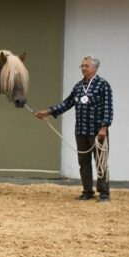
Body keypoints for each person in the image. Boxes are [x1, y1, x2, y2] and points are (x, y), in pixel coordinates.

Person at [35, 56, 112, 201]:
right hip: (81, 131)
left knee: (101, 162)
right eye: (82, 66)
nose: (83, 68)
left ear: (95, 68)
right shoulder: (78, 87)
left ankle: (104, 193)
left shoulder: (103, 85)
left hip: (97, 131)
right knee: (83, 162)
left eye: (86, 66)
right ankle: (87, 191)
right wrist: (49, 112)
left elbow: (108, 108)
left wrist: (104, 127)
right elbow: (67, 103)